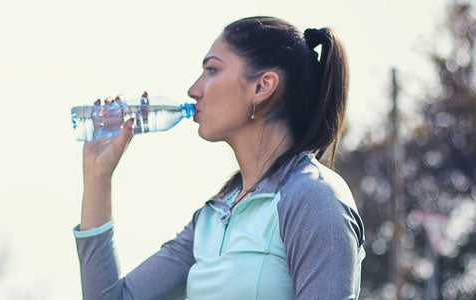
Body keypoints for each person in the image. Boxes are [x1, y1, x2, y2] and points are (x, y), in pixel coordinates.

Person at [73, 16, 365, 300]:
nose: (193, 90)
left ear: (262, 87)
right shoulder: (213, 217)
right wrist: (98, 176)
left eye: (212, 70)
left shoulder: (314, 197)